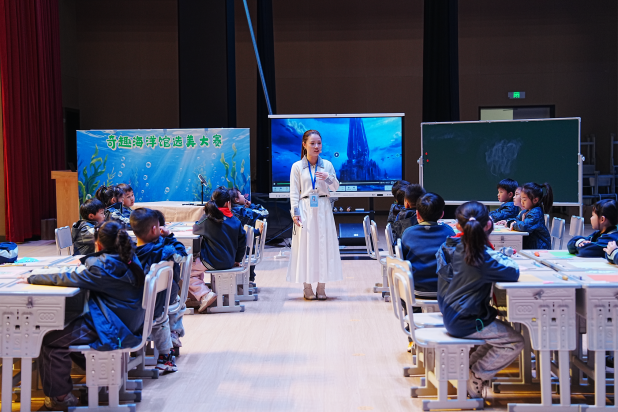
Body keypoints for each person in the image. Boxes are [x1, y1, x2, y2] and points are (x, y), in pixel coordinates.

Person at [19, 221, 145, 410]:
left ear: (98, 244)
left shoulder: (102, 268)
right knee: (65, 331)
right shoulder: (128, 257)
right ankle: (101, 376)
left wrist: (32, 277)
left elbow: (68, 278)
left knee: (49, 340)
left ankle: (61, 398)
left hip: (113, 325)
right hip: (126, 320)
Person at [436, 201, 523, 398]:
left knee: (498, 336)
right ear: (488, 225)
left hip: (452, 313)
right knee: (514, 341)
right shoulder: (481, 256)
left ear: (457, 226)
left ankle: (466, 370)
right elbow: (513, 271)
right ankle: (477, 374)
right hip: (467, 319)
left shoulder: (454, 246)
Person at [288, 129, 343, 300]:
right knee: (306, 247)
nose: (316, 146)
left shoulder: (327, 165)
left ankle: (321, 286)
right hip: (305, 208)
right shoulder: (297, 167)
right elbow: (294, 193)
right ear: (304, 145)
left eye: (319, 143)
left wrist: (328, 177)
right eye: (312, 143)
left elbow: (335, 187)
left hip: (324, 208)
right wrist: (295, 213)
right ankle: (307, 287)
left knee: (324, 246)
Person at [132, 208, 188, 372]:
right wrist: (170, 237)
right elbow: (182, 256)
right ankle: (168, 350)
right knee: (171, 305)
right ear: (155, 229)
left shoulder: (127, 253)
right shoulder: (164, 251)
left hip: (132, 308)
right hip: (157, 308)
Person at [191, 187, 247, 313]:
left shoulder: (208, 219)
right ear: (228, 203)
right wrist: (237, 260)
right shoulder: (236, 221)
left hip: (211, 261)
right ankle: (202, 295)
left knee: (186, 270)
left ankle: (204, 294)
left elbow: (195, 229)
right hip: (229, 262)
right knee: (195, 267)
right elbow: (242, 243)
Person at [401, 192, 455, 298]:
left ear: (417, 214)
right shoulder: (449, 233)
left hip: (414, 289)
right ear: (442, 214)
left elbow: (402, 259)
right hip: (446, 291)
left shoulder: (408, 233)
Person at [229, 188, 269, 283]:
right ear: (236, 200)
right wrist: (252, 206)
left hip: (232, 249)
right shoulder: (245, 212)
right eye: (241, 194)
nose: (244, 196)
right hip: (246, 250)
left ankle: (241, 281)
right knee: (250, 247)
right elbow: (265, 213)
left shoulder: (229, 212)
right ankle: (249, 278)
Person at [508, 182, 553, 249]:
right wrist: (509, 222)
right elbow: (517, 220)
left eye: (524, 199)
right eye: (521, 199)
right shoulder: (526, 211)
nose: (522, 202)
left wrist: (514, 225)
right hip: (531, 246)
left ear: (535, 200)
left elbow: (525, 226)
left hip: (540, 248)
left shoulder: (536, 213)